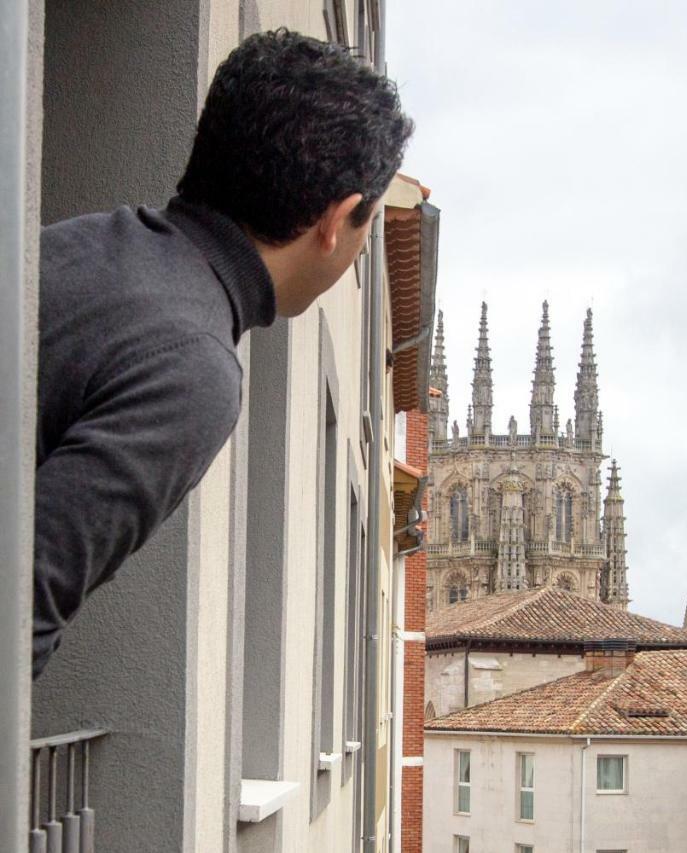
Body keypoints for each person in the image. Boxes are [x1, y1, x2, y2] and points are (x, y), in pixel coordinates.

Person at [32, 29, 413, 677]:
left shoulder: (84, 246)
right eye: (370, 223)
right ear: (336, 220)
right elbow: (17, 608)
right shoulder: (193, 364)